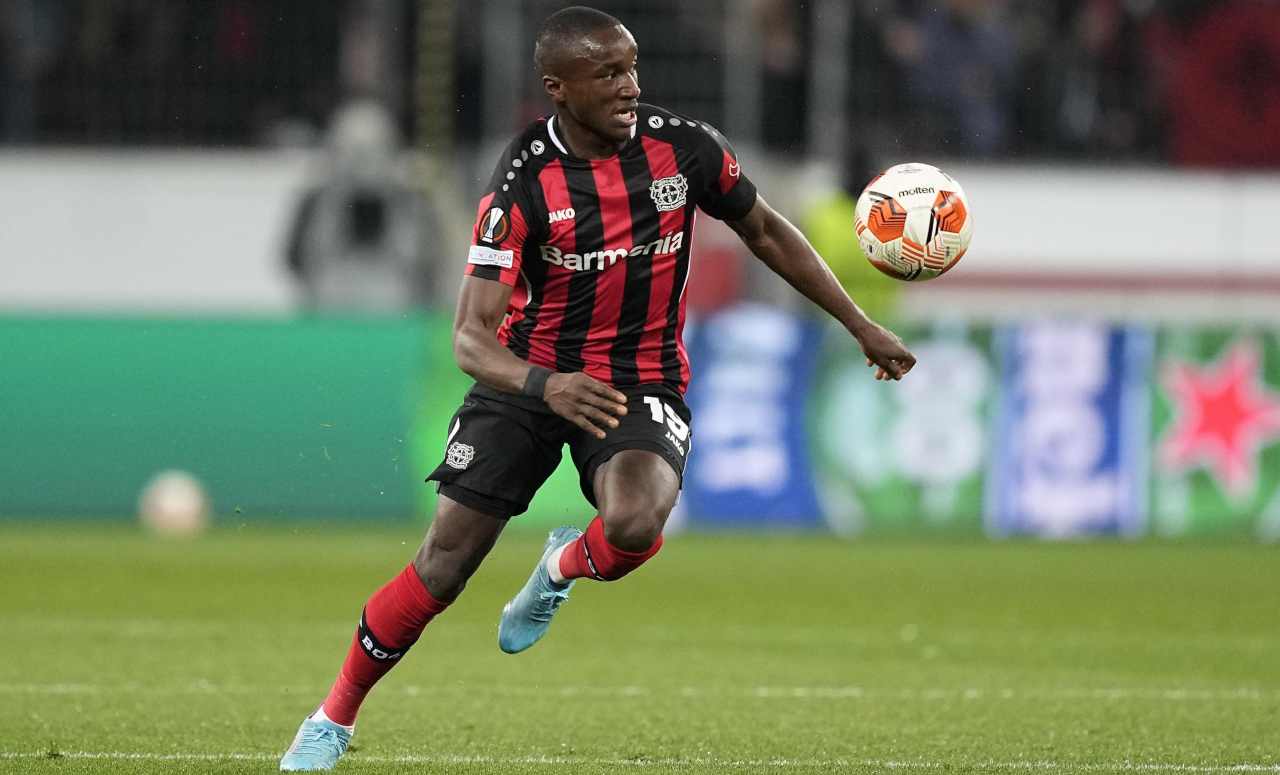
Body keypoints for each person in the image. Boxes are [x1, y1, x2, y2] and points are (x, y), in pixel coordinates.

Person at [279, 6, 915, 771]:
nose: (628, 86)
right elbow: (471, 337)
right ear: (559, 87)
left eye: (632, 68)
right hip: (528, 374)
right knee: (444, 564)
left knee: (636, 522)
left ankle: (561, 566)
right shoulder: (522, 182)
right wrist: (545, 384)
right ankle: (333, 716)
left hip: (638, 376)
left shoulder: (683, 149)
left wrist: (858, 323)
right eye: (607, 74)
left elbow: (767, 231)